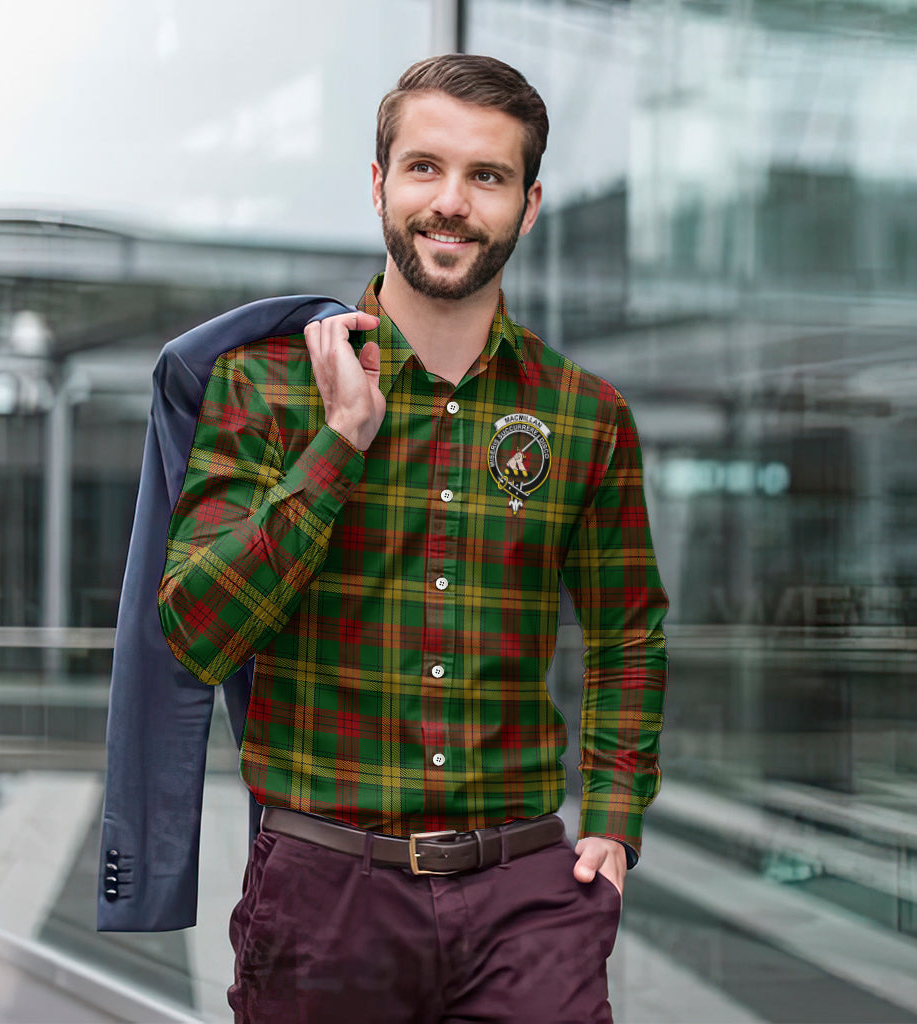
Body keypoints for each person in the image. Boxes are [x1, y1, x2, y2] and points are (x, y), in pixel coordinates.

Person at [157, 53, 668, 1023]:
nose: (452, 202)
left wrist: (611, 819)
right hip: (324, 897)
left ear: (529, 202)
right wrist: (341, 440)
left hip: (526, 898)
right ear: (380, 182)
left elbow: (628, 631)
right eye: (425, 167)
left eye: (488, 176)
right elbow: (196, 632)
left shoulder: (587, 416)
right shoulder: (263, 388)